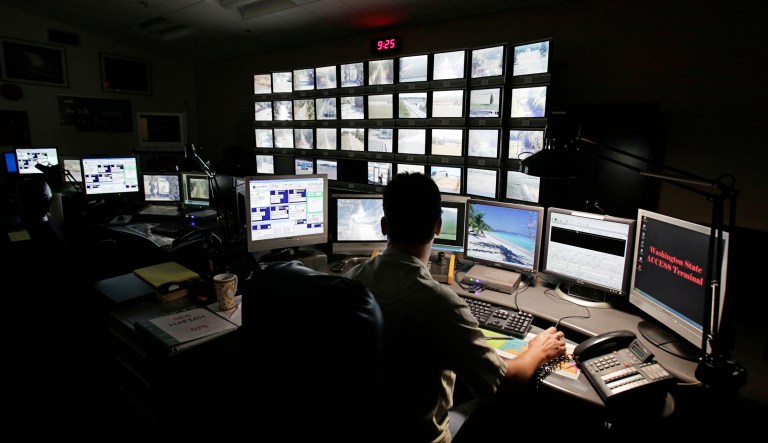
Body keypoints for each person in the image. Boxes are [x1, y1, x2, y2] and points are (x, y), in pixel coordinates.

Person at [344, 172, 567, 442]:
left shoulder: (351, 281)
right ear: (438, 226)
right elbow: (502, 386)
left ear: (384, 225)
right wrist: (538, 350)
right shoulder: (440, 303)